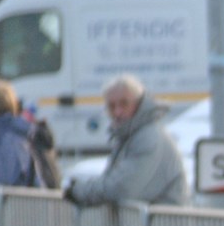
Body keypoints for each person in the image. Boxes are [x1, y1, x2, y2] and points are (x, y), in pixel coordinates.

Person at [63, 74, 187, 207]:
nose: (117, 112)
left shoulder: (147, 138)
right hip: (147, 225)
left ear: (139, 104)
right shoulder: (130, 135)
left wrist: (79, 191)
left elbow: (120, 189)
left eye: (124, 103)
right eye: (111, 106)